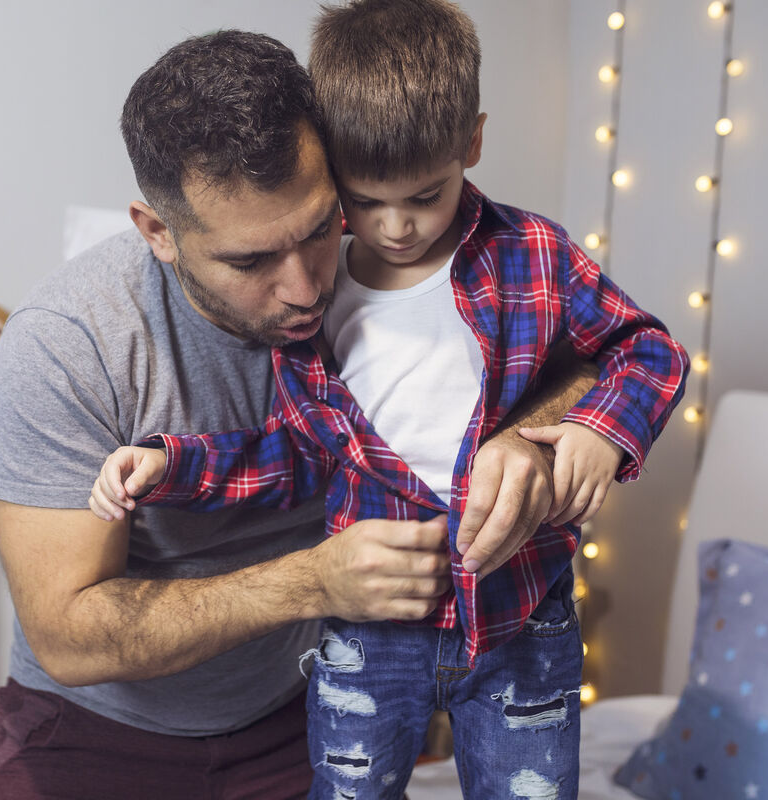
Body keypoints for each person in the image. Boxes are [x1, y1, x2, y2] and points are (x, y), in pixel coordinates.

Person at [0, 26, 598, 800]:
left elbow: (589, 360)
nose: (306, 287)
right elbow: (69, 636)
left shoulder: (390, 262)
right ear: (157, 232)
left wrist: (531, 440)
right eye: (251, 260)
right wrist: (313, 584)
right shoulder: (67, 345)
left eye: (316, 230)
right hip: (92, 734)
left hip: (293, 717)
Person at [87, 2, 690, 797]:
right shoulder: (317, 299)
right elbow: (296, 452)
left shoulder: (532, 255)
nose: (397, 228)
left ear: (471, 143)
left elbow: (648, 349)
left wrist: (597, 429)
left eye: (425, 196)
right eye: (365, 203)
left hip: (520, 619)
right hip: (373, 636)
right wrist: (168, 464)